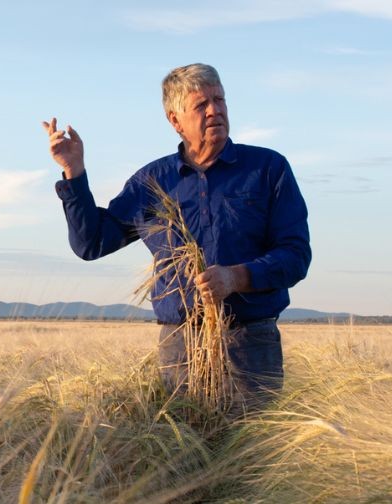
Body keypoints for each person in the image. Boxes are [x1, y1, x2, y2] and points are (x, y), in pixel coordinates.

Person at [43, 63, 311, 410]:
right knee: (184, 455)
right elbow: (91, 243)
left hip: (250, 346)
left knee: (253, 456)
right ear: (175, 120)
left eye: (220, 100)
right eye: (201, 105)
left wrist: (236, 277)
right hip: (180, 346)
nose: (214, 110)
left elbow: (295, 255)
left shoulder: (267, 169)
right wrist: (74, 172)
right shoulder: (152, 182)